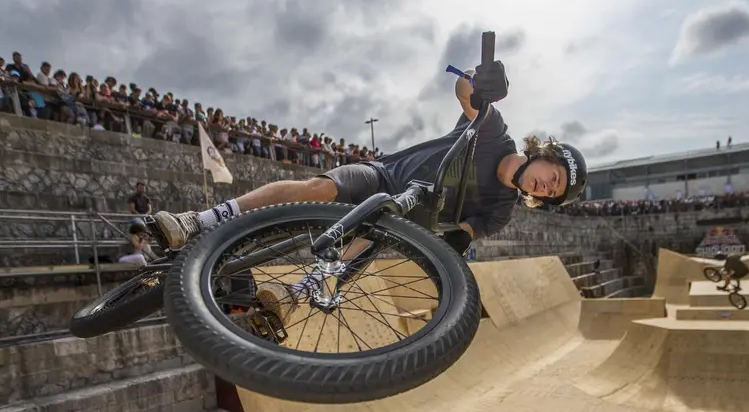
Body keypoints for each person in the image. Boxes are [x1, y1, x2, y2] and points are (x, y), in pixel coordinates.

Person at [149, 60, 588, 331]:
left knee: (372, 236)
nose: (545, 188)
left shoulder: (501, 210)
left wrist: (455, 245)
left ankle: (297, 292)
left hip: (399, 217)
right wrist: (479, 80)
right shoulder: (494, 132)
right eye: (552, 177)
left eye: (552, 193)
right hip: (384, 176)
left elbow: (464, 234)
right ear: (543, 155)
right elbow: (466, 93)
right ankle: (201, 219)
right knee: (319, 188)